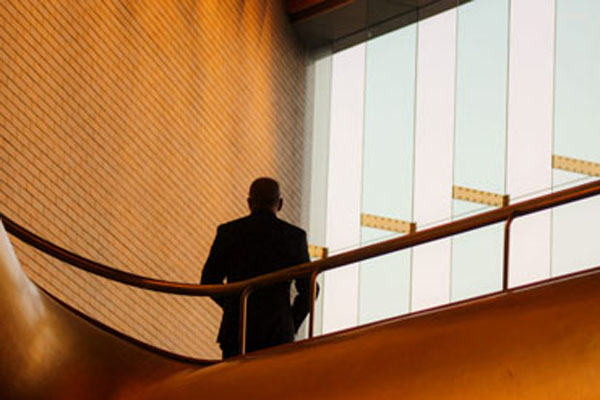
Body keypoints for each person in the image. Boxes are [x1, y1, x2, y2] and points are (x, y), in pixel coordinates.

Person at [201, 177, 315, 358]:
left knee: (235, 375)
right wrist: (290, 321)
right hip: (277, 330)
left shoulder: (229, 232)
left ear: (249, 203)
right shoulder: (294, 237)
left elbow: (208, 281)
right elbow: (310, 288)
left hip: (238, 328)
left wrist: (235, 305)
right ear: (280, 204)